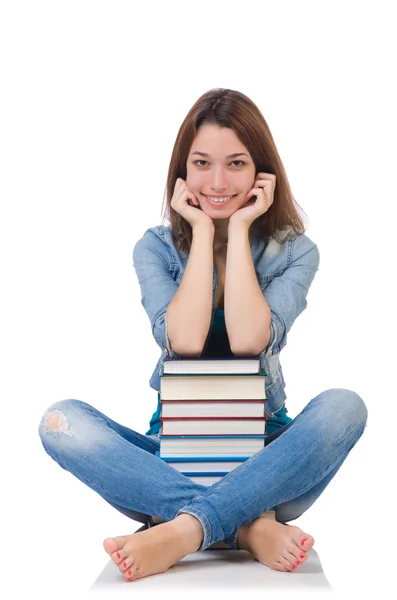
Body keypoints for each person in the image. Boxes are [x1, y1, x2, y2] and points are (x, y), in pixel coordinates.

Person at [38, 88, 368, 583]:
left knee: (346, 406)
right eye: (202, 163)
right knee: (59, 422)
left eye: (236, 163)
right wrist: (197, 230)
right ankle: (249, 525)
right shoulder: (154, 248)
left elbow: (249, 340)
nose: (217, 182)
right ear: (182, 171)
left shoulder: (296, 252)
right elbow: (186, 341)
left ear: (261, 171)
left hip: (269, 454)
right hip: (172, 453)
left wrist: (237, 230)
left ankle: (182, 528)